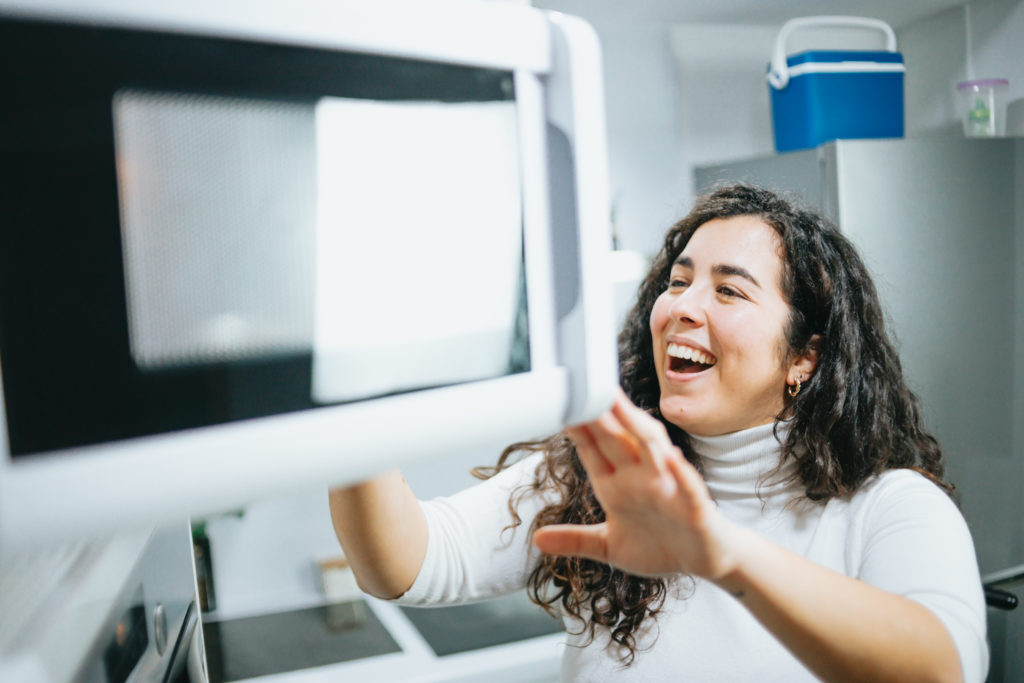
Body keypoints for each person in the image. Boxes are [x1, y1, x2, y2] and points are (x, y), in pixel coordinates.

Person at [329, 184, 987, 682]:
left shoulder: (891, 508)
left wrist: (719, 551)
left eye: (729, 292)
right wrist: (344, 398)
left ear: (804, 356)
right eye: (677, 281)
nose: (681, 307)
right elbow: (401, 563)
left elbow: (941, 667)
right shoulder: (602, 473)